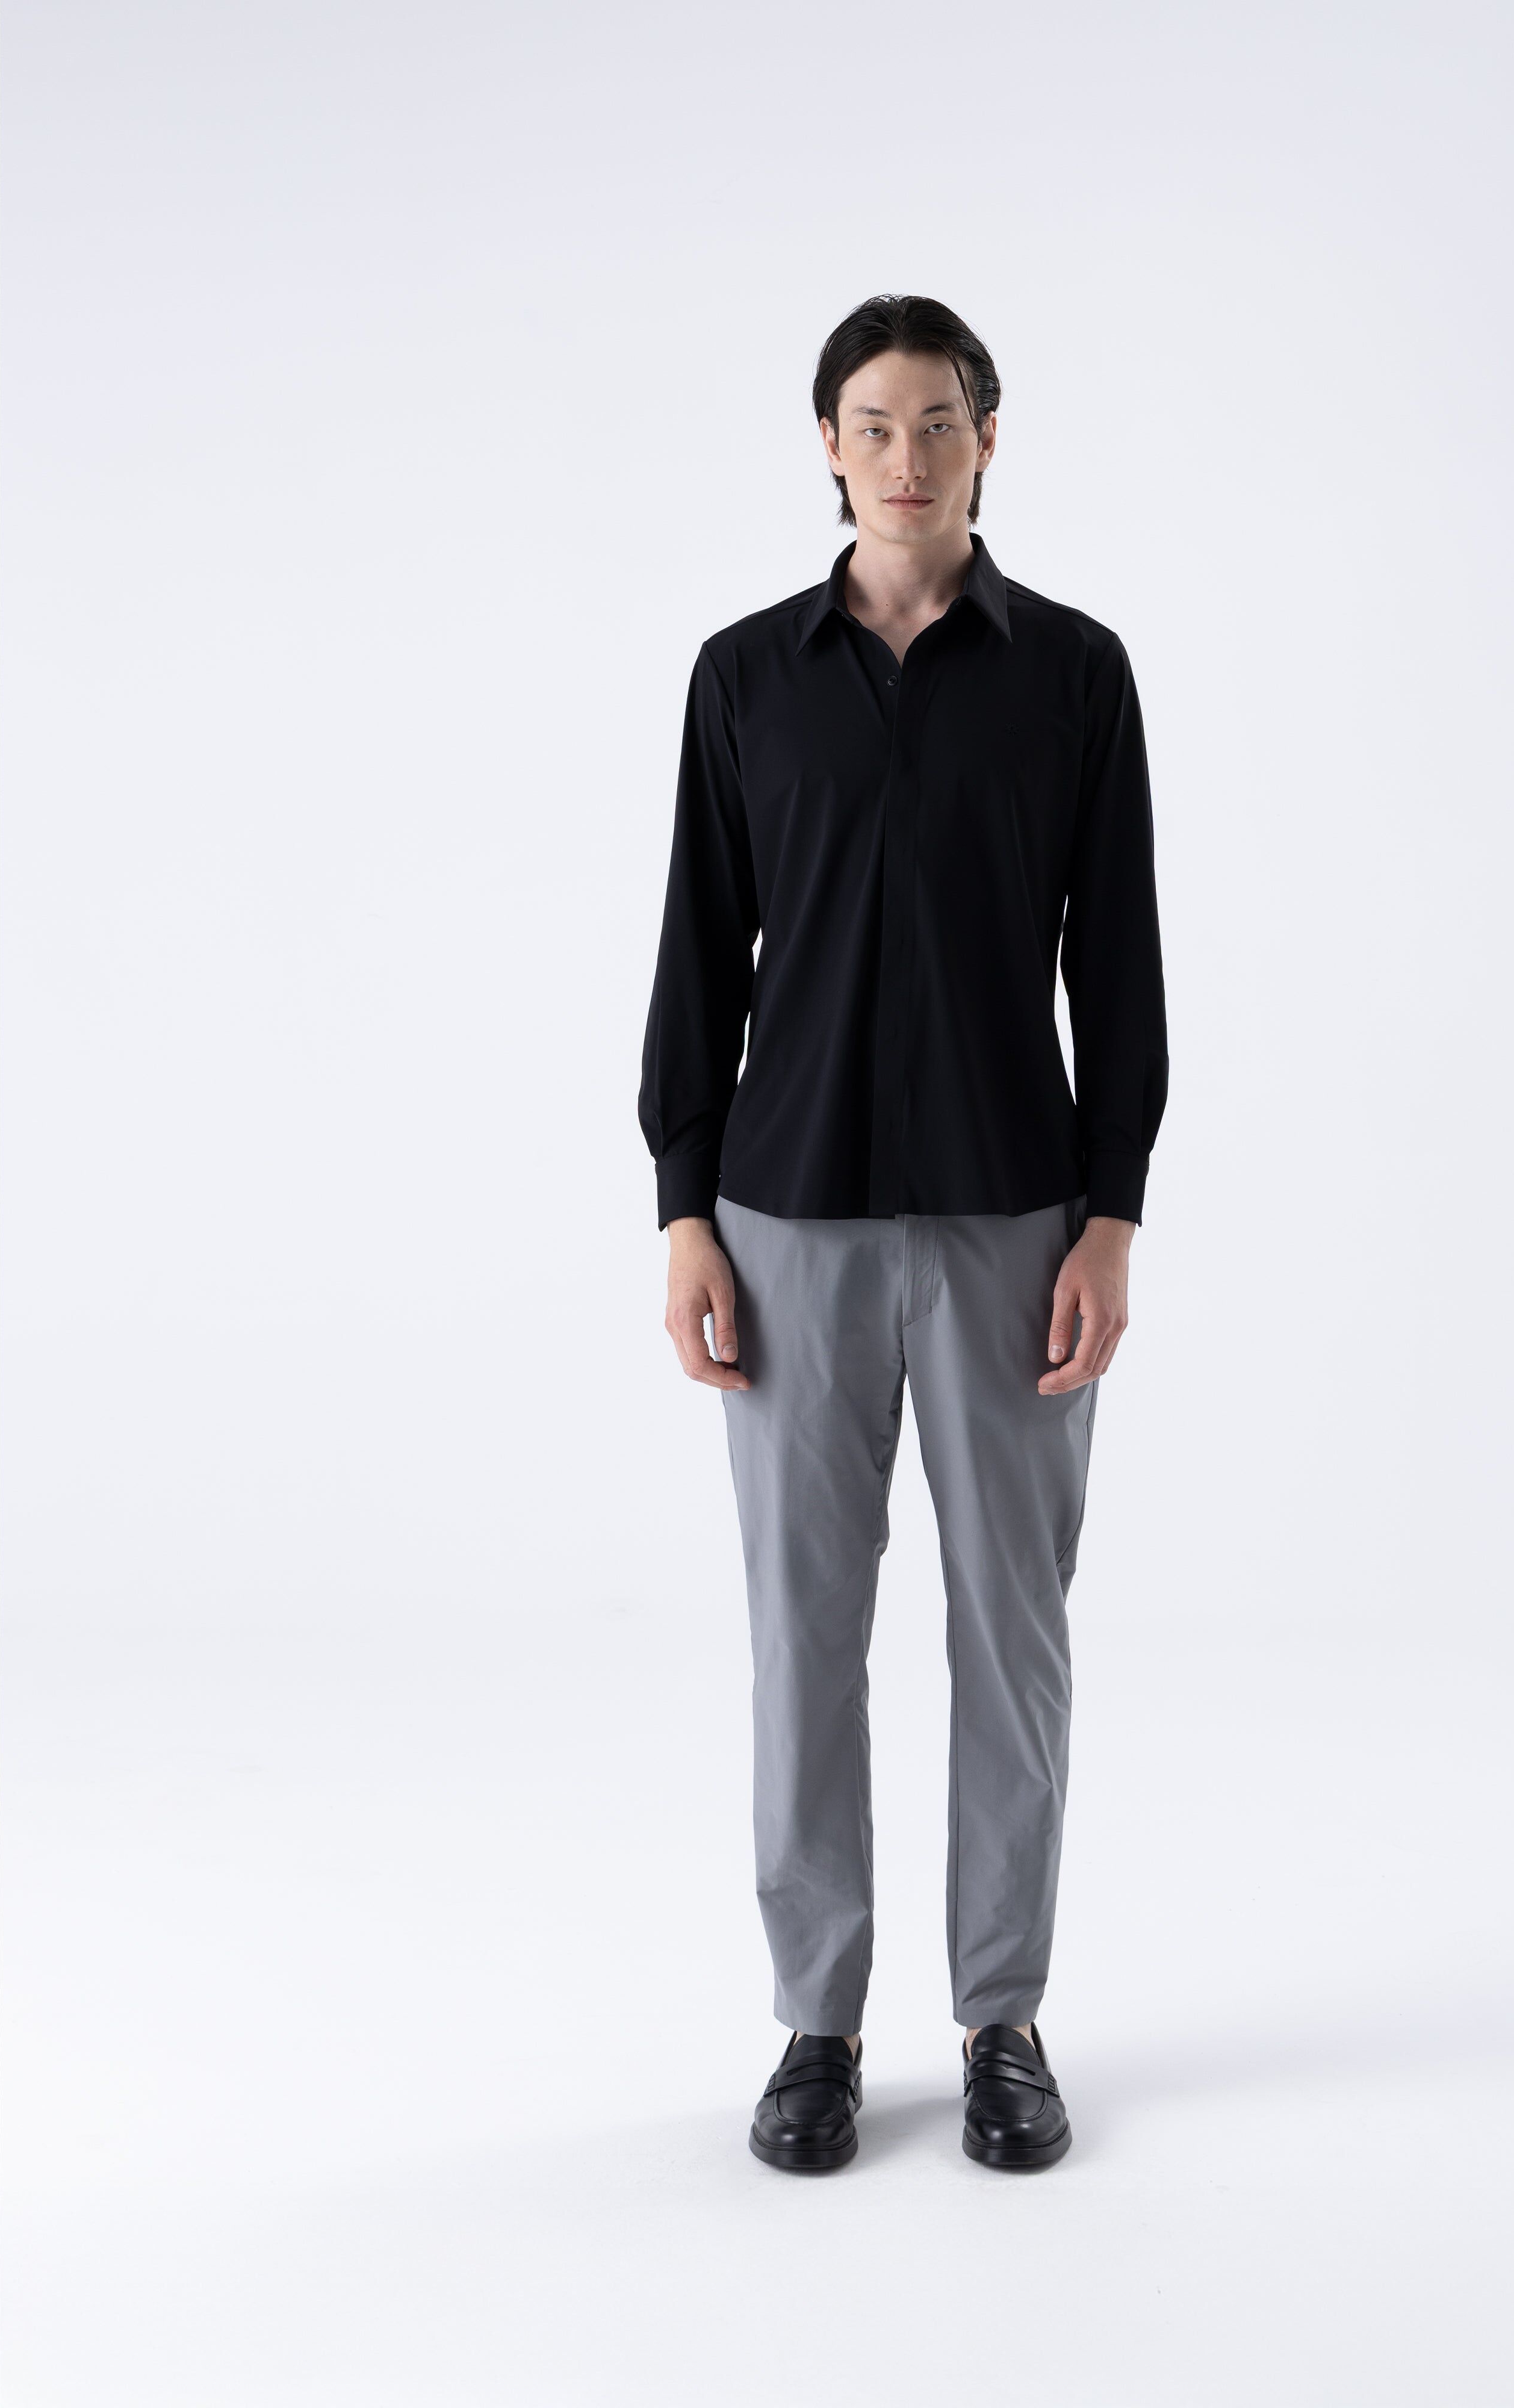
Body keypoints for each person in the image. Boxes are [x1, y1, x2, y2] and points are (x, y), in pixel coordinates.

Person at [638, 293, 1169, 2172]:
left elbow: (1121, 966)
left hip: (1016, 1219)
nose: (908, 456)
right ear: (829, 448)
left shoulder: (1075, 674)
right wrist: (684, 1209)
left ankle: (1003, 2017)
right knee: (806, 1634)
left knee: (1011, 1631)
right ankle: (818, 2023)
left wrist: (1112, 1214)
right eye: (874, 424)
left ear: (989, 441)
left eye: (940, 421)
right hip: (787, 1218)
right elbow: (698, 959)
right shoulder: (745, 679)